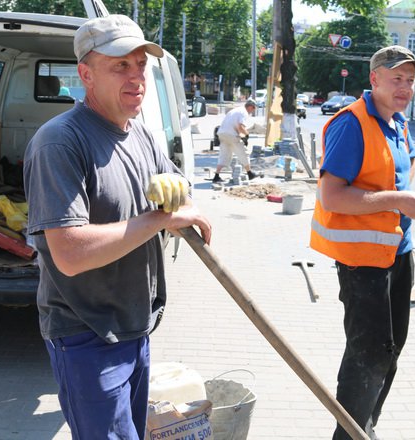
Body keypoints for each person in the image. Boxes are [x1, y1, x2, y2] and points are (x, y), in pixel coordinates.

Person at [23, 15, 212, 439]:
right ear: (86, 75)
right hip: (86, 334)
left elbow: (179, 187)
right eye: (120, 66)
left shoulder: (139, 134)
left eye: (141, 65)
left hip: (135, 325)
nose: (137, 77)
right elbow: (69, 254)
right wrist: (160, 219)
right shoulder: (61, 142)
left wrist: (177, 192)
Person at [310, 45, 415, 440]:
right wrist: (395, 201)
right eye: (397, 78)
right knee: (368, 354)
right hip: (363, 261)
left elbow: (406, 164)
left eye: (411, 80)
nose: (405, 87)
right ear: (374, 78)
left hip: (398, 252)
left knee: (391, 349)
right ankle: (348, 435)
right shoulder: (352, 123)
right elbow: (332, 196)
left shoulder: (398, 123)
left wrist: (396, 197)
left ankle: (365, 427)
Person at [212, 99, 258, 183]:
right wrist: (247, 135)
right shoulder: (244, 112)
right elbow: (240, 126)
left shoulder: (235, 110)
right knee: (243, 152)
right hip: (231, 135)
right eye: (254, 109)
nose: (253, 111)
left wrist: (242, 135)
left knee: (224, 155)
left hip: (222, 134)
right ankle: (250, 173)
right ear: (251, 107)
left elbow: (235, 126)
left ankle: (216, 176)